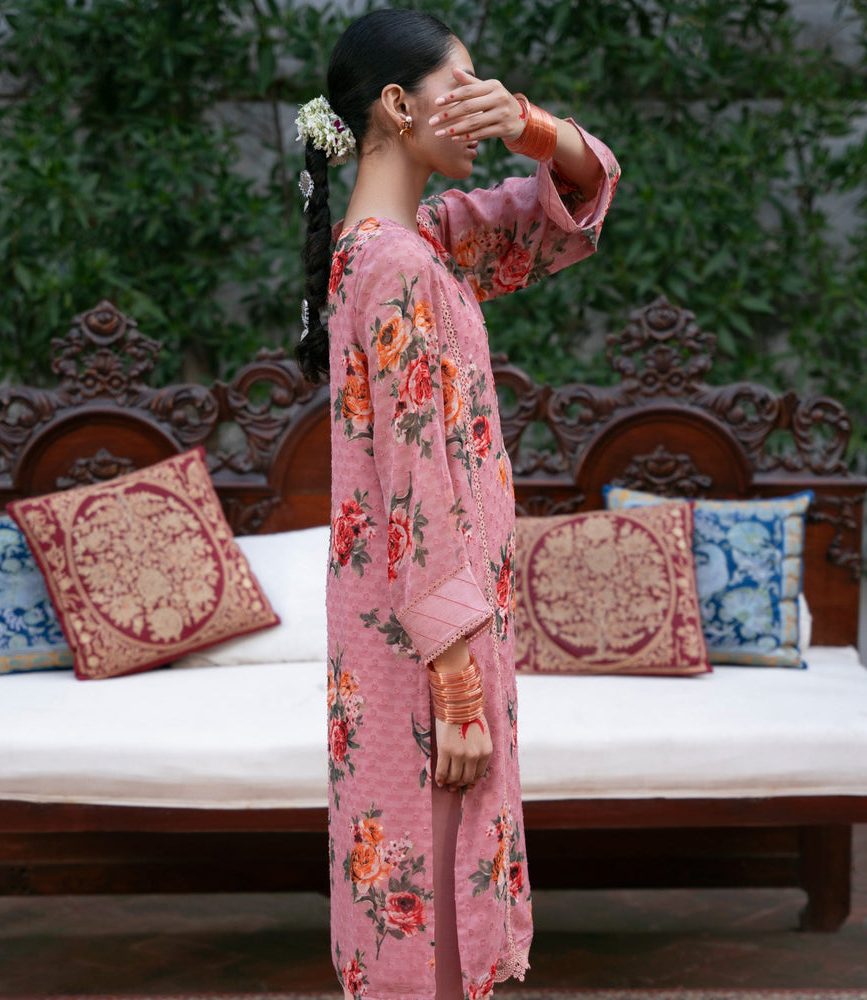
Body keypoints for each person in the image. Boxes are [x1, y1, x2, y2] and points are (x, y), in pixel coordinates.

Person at [295, 9, 619, 1000]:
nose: (484, 110)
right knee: (428, 905)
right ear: (398, 105)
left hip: (411, 628)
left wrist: (528, 123)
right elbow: (418, 483)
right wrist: (458, 688)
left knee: (411, 883)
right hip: (430, 644)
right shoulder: (399, 266)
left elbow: (574, 197)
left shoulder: (404, 243)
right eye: (465, 89)